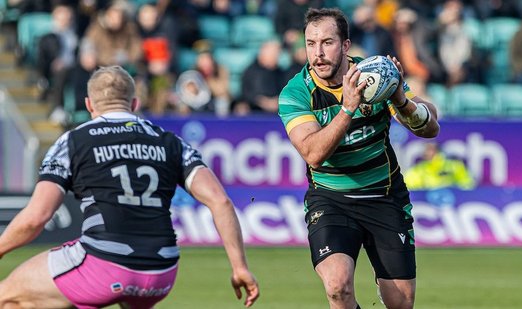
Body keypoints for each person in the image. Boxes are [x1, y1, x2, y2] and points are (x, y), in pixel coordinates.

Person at [0, 66, 259, 308]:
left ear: (89, 105)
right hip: (161, 273)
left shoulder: (73, 141)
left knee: (8, 296)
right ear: (134, 104)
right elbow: (220, 202)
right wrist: (240, 267)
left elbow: (36, 217)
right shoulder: (171, 142)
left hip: (103, 266)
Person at [278, 8, 440, 309]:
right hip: (330, 199)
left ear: (346, 46)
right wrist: (347, 109)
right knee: (338, 286)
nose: (318, 53)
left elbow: (430, 127)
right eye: (310, 44)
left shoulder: (375, 75)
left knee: (401, 303)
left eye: (327, 42)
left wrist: (401, 101)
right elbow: (313, 153)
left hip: (384, 196)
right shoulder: (296, 92)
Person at [403, 142, 475, 190]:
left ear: (438, 152)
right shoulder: (418, 170)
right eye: (426, 151)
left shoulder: (454, 166)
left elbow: (468, 184)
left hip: (452, 200)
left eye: (431, 150)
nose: (427, 153)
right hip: (427, 201)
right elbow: (408, 187)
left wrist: (454, 189)